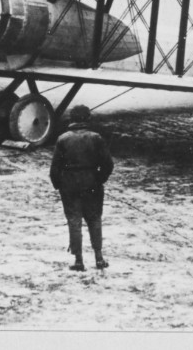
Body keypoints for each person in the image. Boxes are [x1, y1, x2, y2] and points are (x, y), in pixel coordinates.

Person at [49, 105, 114, 271]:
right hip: (92, 183)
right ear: (88, 119)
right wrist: (99, 179)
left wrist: (59, 185)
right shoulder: (96, 138)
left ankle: (78, 260)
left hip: (69, 185)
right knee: (94, 218)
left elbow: (55, 168)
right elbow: (108, 164)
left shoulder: (63, 139)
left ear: (71, 119)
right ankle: (99, 258)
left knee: (74, 220)